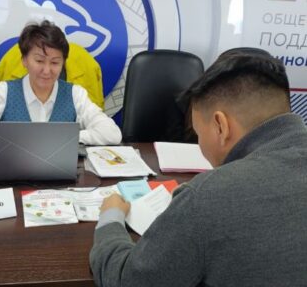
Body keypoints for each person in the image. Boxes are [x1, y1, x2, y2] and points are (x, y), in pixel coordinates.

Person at [90, 52, 307, 287]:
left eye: (198, 134)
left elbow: (127, 281)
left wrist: (111, 217)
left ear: (221, 126)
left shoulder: (207, 197)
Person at [0, 21, 122, 175]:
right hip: (11, 178)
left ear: (63, 63)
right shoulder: (4, 93)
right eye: (39, 61)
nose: (47, 70)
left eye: (55, 62)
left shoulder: (75, 94)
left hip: (61, 182)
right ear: (24, 60)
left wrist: (68, 137)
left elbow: (112, 133)